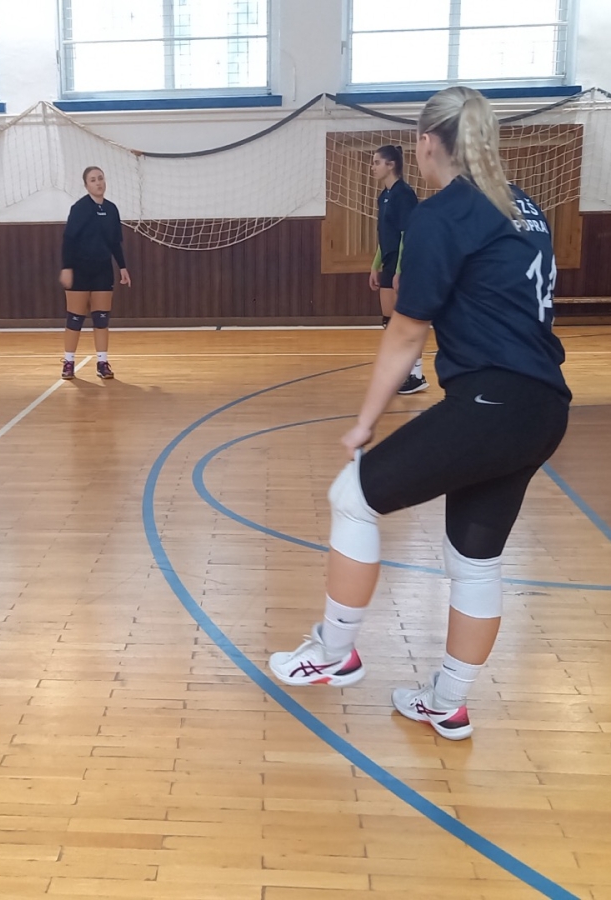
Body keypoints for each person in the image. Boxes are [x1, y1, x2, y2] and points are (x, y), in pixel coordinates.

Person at [269, 86, 570, 740]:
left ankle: (334, 653)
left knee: (352, 497)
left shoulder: (444, 214)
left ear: (427, 142)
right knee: (474, 559)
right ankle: (446, 702)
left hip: (492, 403)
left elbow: (406, 333)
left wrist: (365, 421)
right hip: (543, 408)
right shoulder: (527, 207)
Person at [59, 166, 131, 380]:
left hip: (102, 271)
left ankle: (102, 362)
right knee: (75, 318)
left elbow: (115, 242)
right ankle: (68, 362)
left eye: (100, 178)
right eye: (93, 180)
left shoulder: (111, 209)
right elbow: (68, 239)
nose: (98, 183)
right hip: (80, 270)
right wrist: (67, 268)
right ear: (86, 185)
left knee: (101, 318)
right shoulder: (80, 208)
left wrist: (123, 267)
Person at [369, 145, 429, 395]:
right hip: (389, 262)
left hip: (402, 264)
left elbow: (406, 233)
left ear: (391, 165)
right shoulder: (384, 195)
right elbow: (386, 235)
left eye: (376, 162)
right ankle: (402, 371)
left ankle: (416, 374)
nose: (372, 167)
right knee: (390, 321)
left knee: (404, 321)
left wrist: (400, 270)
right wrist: (375, 266)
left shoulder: (404, 194)